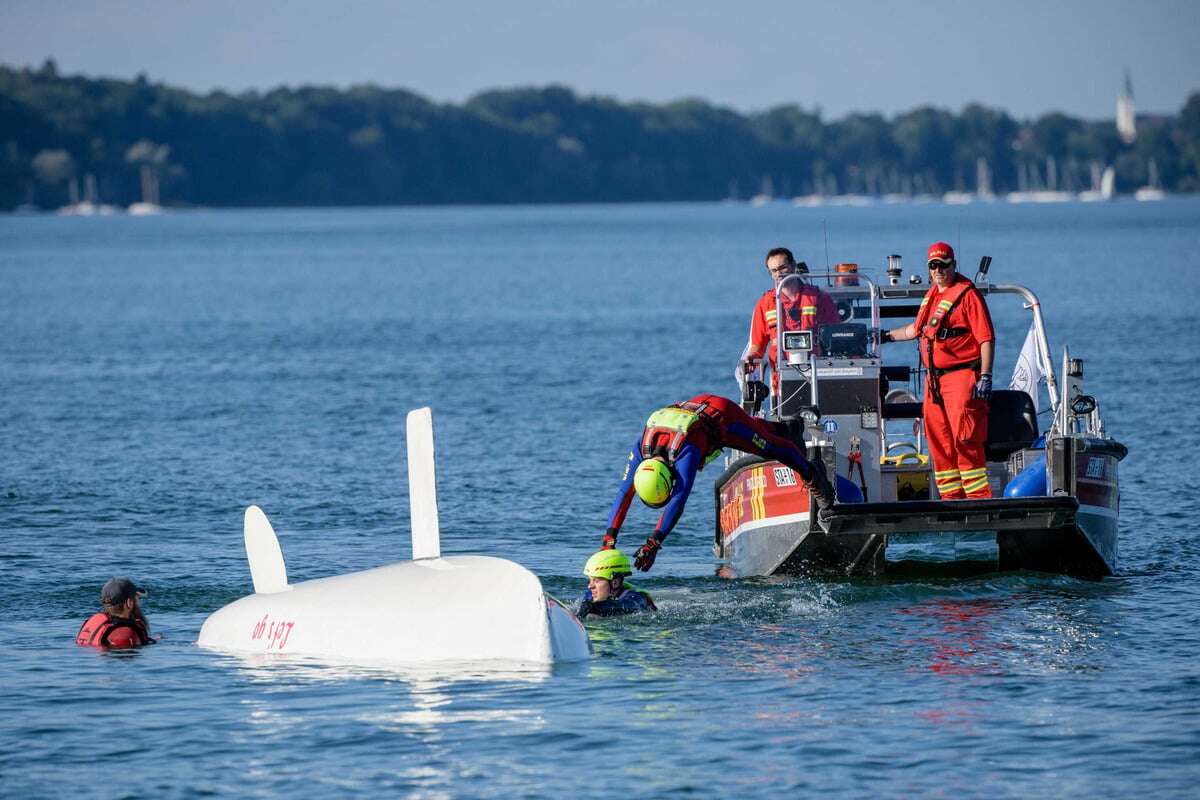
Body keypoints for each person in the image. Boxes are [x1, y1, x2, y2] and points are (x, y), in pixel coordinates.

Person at [601, 393, 834, 570]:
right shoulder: (641, 449)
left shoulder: (686, 452)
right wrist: (609, 539)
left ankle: (812, 473)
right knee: (760, 430)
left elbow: (678, 500)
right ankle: (788, 428)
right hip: (698, 408)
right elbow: (624, 494)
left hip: (723, 418)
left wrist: (653, 543)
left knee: (769, 447)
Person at [880, 242, 995, 499]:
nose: (939, 270)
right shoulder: (932, 295)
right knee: (939, 441)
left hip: (962, 376)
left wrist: (985, 376)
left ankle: (978, 500)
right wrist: (885, 336)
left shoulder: (968, 295)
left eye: (943, 265)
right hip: (934, 382)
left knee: (965, 438)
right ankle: (950, 499)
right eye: (934, 265)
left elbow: (986, 338)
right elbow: (915, 330)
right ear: (929, 269)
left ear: (954, 265)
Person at [737, 247, 840, 385]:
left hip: (819, 376)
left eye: (782, 267)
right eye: (774, 271)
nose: (779, 274)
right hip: (780, 381)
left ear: (793, 265)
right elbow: (756, 347)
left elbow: (837, 339)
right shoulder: (765, 303)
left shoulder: (819, 298)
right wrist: (750, 359)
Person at [75, 577, 155, 649]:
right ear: (129, 603)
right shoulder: (124, 634)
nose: (139, 604)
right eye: (137, 600)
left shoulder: (98, 624)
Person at [575, 549, 656, 619]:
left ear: (615, 582)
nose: (590, 586)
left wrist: (593, 607)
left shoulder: (636, 598)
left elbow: (625, 606)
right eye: (590, 580)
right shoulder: (591, 595)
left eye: (596, 581)